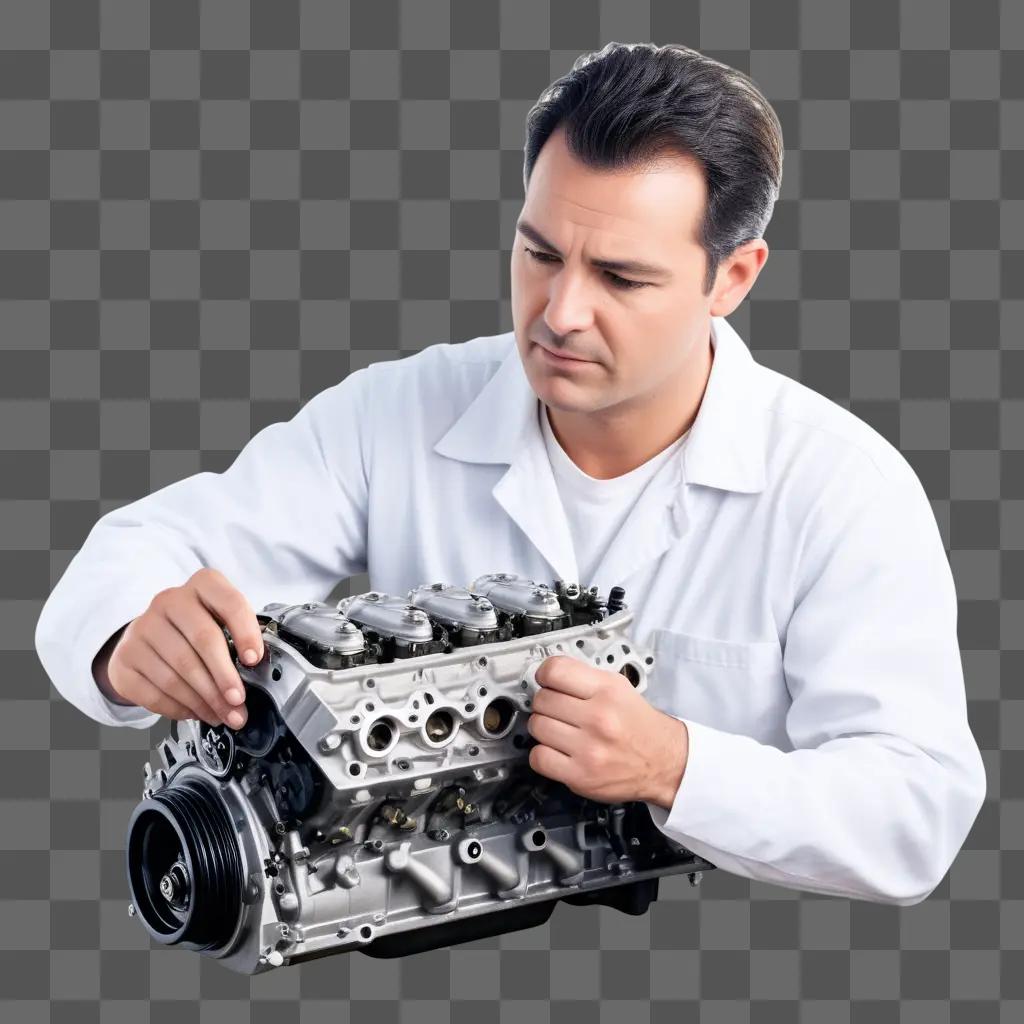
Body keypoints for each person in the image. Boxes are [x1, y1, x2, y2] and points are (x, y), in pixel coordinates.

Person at [35, 42, 985, 906]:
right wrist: (129, 635)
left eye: (621, 277)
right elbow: (143, 546)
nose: (560, 312)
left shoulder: (842, 488)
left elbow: (916, 811)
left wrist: (676, 763)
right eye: (539, 253)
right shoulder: (398, 411)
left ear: (732, 278)